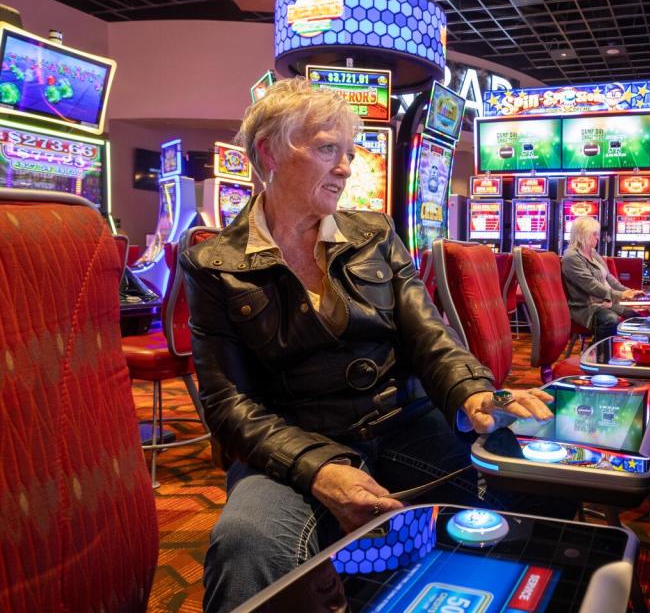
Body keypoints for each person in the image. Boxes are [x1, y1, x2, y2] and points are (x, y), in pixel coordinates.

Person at [180, 78, 562, 613]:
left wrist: (475, 392)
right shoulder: (212, 263)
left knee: (541, 484)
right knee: (247, 546)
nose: (345, 166)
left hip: (404, 425)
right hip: (290, 446)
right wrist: (317, 468)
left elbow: (430, 337)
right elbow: (228, 405)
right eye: (326, 149)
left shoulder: (374, 232)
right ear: (267, 151)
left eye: (349, 152)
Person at [562, 215, 642, 341]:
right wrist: (621, 295)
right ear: (584, 234)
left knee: (637, 316)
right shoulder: (572, 257)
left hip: (605, 302)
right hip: (587, 307)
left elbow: (609, 278)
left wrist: (629, 291)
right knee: (611, 320)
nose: (598, 237)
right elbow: (591, 285)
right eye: (595, 234)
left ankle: (625, 350)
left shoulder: (593, 253)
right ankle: (598, 355)